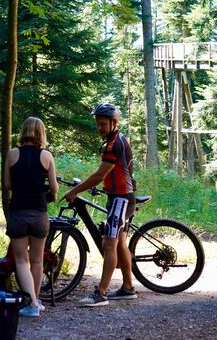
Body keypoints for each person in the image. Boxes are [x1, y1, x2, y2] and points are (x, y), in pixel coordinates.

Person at [63, 103, 138, 307]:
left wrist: (75, 191)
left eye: (103, 124)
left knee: (109, 244)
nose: (99, 128)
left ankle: (101, 293)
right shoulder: (117, 139)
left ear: (114, 123)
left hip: (121, 199)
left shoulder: (114, 144)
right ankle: (128, 287)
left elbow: (99, 175)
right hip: (121, 197)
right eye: (97, 124)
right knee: (120, 244)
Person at [3, 117, 58, 317]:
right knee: (37, 261)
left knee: (21, 260)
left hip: (18, 213)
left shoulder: (12, 154)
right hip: (40, 215)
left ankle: (32, 304)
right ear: (41, 133)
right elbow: (53, 188)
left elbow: (8, 185)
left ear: (23, 132)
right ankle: (34, 302)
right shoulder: (47, 156)